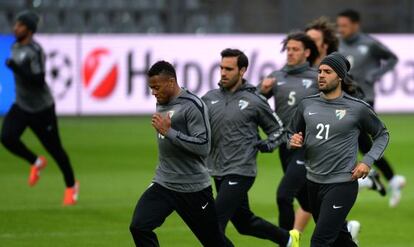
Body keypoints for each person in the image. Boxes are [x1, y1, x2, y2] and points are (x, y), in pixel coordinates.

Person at [288, 52, 389, 246]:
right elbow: (291, 134)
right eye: (319, 71)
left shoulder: (357, 108)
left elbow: (382, 134)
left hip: (342, 184)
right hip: (313, 183)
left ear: (340, 76)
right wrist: (292, 141)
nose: (321, 75)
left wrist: (367, 161)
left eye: (327, 71)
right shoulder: (307, 104)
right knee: (340, 240)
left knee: (319, 241)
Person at [202, 48, 299, 247]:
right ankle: (287, 239)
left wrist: (267, 144)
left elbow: (279, 130)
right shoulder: (209, 98)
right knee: (244, 223)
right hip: (217, 169)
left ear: (242, 70)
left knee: (212, 226)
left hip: (241, 170)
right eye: (221, 68)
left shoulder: (254, 100)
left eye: (229, 69)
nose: (223, 72)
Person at [129, 61, 226, 247]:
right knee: (139, 226)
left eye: (156, 87)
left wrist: (170, 133)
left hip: (193, 188)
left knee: (214, 242)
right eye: (151, 88)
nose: (153, 93)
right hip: (164, 183)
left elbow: (204, 146)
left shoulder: (193, 105)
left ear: (171, 82)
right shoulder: (161, 101)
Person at [1, 10, 78, 205]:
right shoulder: (15, 47)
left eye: (20, 25)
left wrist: (16, 68)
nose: (15, 27)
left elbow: (38, 81)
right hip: (22, 105)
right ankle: (36, 161)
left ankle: (71, 185)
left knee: (55, 150)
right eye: (16, 24)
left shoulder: (36, 51)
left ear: (29, 29)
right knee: (7, 137)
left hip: (42, 109)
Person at [337, 9, 405, 207]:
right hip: (344, 100)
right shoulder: (338, 45)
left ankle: (369, 177)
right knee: (363, 144)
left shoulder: (369, 43)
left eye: (345, 26)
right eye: (339, 26)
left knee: (354, 139)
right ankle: (390, 178)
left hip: (365, 99)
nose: (341, 29)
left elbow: (392, 59)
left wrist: (375, 74)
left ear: (355, 25)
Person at [258, 32, 318, 232]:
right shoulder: (276, 77)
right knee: (309, 203)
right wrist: (261, 90)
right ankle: (344, 230)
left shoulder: (317, 77)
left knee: (284, 195)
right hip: (285, 147)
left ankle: (286, 241)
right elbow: (251, 105)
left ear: (307, 52)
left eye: (295, 49)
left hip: (306, 146)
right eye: (288, 49)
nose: (290, 53)